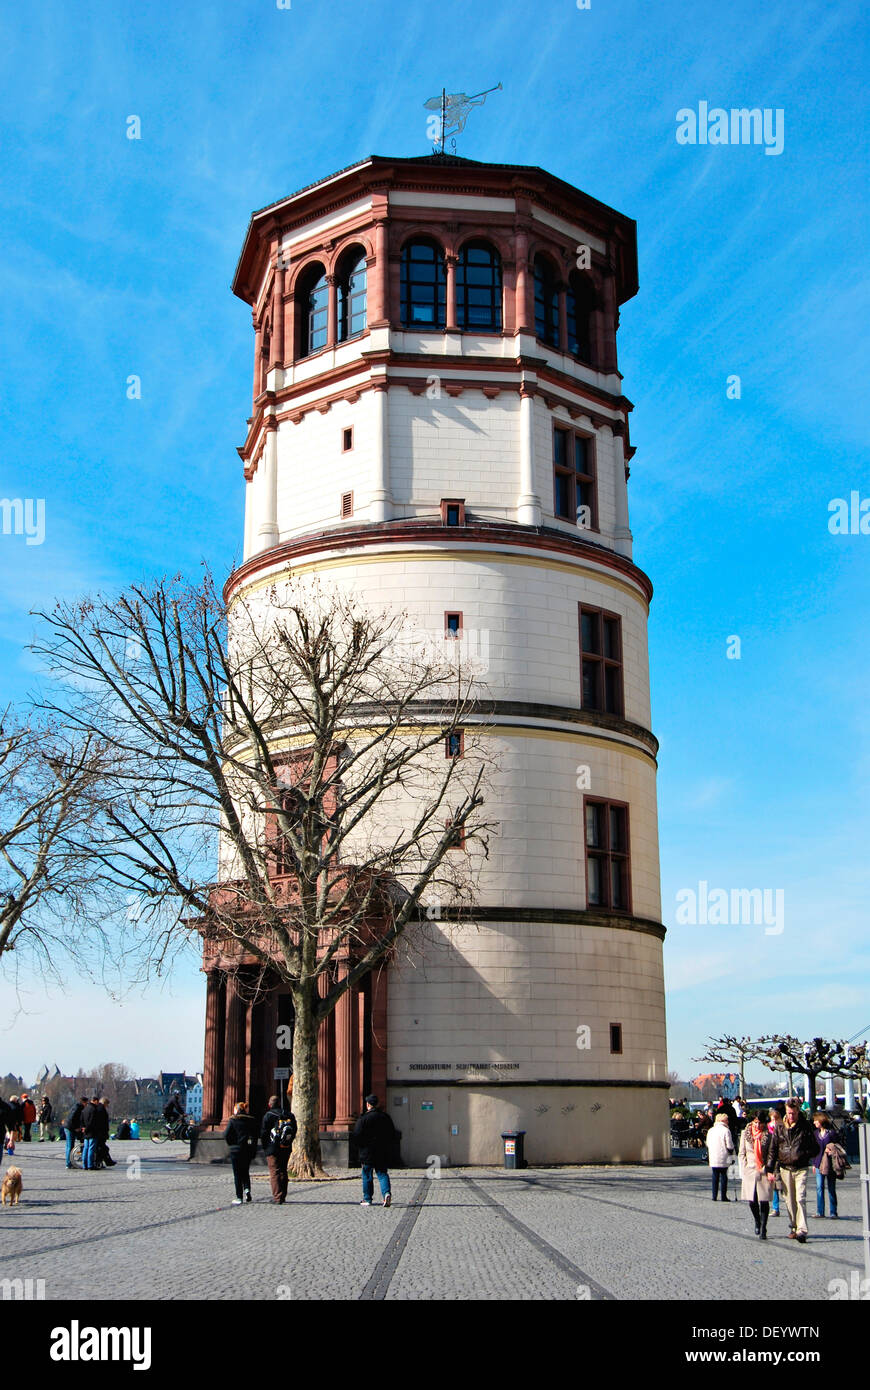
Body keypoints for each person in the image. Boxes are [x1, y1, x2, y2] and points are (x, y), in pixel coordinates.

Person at [773, 1097, 816, 1244]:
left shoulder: (805, 1126)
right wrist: (770, 1168)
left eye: (794, 1113)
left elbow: (814, 1146)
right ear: (786, 1112)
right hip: (785, 1167)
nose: (791, 1116)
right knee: (789, 1200)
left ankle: (802, 1230)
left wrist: (805, 1155)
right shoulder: (779, 1127)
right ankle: (794, 1226)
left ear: (798, 1111)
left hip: (801, 1167)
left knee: (800, 1198)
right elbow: (773, 1149)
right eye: (789, 1113)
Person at [352, 1094, 396, 1208]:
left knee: (367, 1174)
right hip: (381, 1151)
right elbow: (392, 1134)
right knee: (382, 1174)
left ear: (368, 1104)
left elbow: (356, 1134)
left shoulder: (363, 1118)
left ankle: (367, 1199)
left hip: (367, 1152)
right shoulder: (385, 1117)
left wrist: (360, 1146)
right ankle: (386, 1193)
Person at [738, 1107, 776, 1239]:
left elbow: (772, 1154)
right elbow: (741, 1153)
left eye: (760, 1122)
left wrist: (770, 1169)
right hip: (750, 1169)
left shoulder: (768, 1135)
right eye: (755, 1122)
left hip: (763, 1170)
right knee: (752, 1200)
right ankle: (757, 1221)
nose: (757, 1125)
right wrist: (743, 1168)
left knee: (763, 1200)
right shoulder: (745, 1133)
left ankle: (764, 1227)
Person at [260, 1094, 297, 1204]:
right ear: (280, 1103)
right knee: (283, 1171)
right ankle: (283, 1195)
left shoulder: (268, 1115)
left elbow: (263, 1133)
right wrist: (289, 1142)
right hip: (285, 1146)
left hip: (272, 1148)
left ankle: (277, 1197)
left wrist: (265, 1147)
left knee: (274, 1172)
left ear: (269, 1104)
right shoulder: (289, 1114)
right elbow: (294, 1129)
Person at [223, 1101, 258, 1205]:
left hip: (236, 1150)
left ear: (237, 1109)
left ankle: (239, 1197)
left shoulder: (233, 1120)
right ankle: (247, 1190)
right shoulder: (251, 1120)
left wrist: (232, 1144)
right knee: (245, 1171)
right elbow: (255, 1135)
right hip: (247, 1149)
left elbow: (226, 1134)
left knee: (237, 1174)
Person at [812, 1112, 838, 1219]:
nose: (814, 1122)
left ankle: (833, 1211)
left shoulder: (831, 1133)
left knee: (831, 1187)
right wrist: (814, 1163)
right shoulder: (815, 1133)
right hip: (818, 1163)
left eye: (815, 1120)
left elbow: (838, 1145)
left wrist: (831, 1149)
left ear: (821, 1121)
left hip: (829, 1163)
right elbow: (814, 1149)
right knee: (819, 1187)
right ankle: (820, 1211)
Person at [707, 1112, 735, 1201]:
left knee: (715, 1175)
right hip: (724, 1155)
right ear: (723, 1121)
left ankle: (714, 1195)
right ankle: (723, 1196)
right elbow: (729, 1145)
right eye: (727, 1120)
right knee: (723, 1175)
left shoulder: (711, 1130)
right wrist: (732, 1154)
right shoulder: (726, 1130)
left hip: (713, 1155)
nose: (728, 1122)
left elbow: (707, 1143)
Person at [767, 1108, 783, 1216]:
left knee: (782, 1184)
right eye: (772, 1119)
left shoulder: (782, 1127)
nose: (773, 1122)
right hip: (772, 1158)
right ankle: (775, 1207)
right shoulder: (768, 1128)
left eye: (775, 1119)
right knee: (774, 1185)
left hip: (782, 1158)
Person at [65, 1097, 88, 1169]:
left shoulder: (76, 1106)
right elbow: (72, 1118)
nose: (87, 1105)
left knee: (68, 1146)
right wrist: (75, 1128)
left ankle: (68, 1162)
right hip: (70, 1128)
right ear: (83, 1102)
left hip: (67, 1126)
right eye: (86, 1103)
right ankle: (69, 1163)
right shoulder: (78, 1108)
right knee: (70, 1146)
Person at [96, 1097, 115, 1167]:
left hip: (100, 1132)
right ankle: (106, 1161)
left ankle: (106, 1161)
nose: (107, 1106)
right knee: (103, 1148)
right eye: (107, 1104)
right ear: (105, 1103)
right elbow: (103, 1122)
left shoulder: (98, 1108)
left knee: (102, 1148)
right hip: (101, 1132)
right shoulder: (101, 1109)